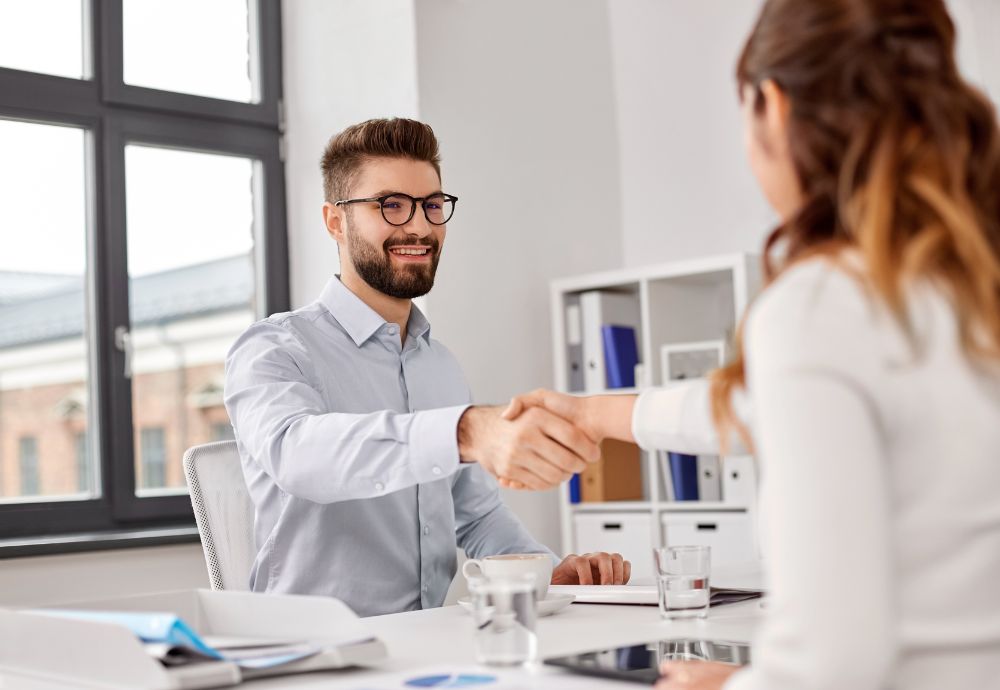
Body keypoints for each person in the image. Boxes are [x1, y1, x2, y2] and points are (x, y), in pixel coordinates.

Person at [504, 0, 1000, 687]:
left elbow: (831, 662)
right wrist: (590, 416)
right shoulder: (965, 283)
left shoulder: (821, 306)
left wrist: (727, 685)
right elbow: (749, 405)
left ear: (772, 104)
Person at [224, 118, 630, 618]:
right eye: (390, 205)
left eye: (431, 206)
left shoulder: (438, 364)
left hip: (429, 645)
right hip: (315, 656)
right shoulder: (275, 348)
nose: (418, 226)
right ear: (335, 221)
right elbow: (297, 456)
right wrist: (462, 432)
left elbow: (477, 514)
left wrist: (548, 574)